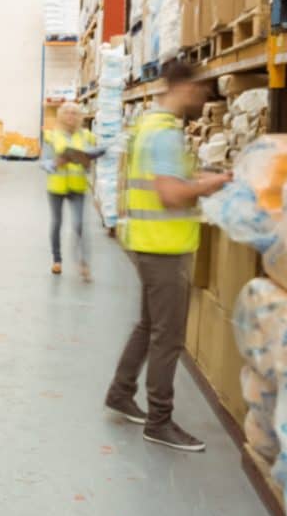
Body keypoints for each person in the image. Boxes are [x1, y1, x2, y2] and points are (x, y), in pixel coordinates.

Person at [105, 62, 230, 452]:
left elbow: (164, 182)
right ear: (184, 87)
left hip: (147, 241)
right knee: (168, 336)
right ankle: (159, 421)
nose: (203, 97)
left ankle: (120, 392)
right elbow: (171, 194)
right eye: (200, 89)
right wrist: (212, 184)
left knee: (148, 326)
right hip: (164, 247)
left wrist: (196, 178)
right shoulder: (165, 134)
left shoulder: (147, 124)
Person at [40, 102, 103, 280]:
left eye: (74, 113)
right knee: (57, 223)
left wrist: (87, 161)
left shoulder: (87, 136)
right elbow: (44, 162)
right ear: (60, 116)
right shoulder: (51, 136)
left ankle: (83, 263)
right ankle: (57, 260)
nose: (70, 116)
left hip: (77, 186)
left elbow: (89, 163)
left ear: (79, 117)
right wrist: (55, 163)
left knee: (79, 224)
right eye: (67, 112)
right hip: (56, 186)